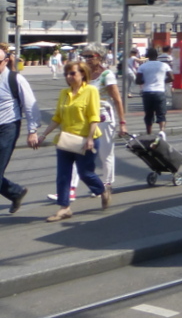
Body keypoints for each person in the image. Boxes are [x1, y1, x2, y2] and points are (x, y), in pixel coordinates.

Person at [33, 59, 108, 221]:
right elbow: (57, 117)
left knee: (85, 173)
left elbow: (94, 117)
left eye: (72, 73)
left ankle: (102, 191)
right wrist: (43, 134)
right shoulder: (64, 93)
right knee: (63, 175)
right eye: (67, 74)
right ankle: (64, 208)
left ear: (82, 74)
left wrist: (89, 138)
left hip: (86, 140)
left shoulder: (91, 91)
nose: (69, 76)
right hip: (66, 140)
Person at [82, 43, 126, 200]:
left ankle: (107, 183)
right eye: (84, 56)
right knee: (83, 152)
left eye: (89, 56)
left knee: (105, 152)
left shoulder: (107, 75)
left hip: (104, 118)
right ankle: (87, 185)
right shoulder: (84, 74)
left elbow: (117, 99)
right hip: (87, 119)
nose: (86, 59)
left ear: (99, 57)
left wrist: (122, 122)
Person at [0, 43, 39, 214]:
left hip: (8, 127)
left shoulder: (15, 79)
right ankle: (16, 192)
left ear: (6, 61)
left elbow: (30, 105)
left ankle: (15, 193)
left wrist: (32, 130)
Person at [137, 46, 172, 137]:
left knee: (148, 114)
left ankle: (149, 133)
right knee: (161, 113)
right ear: (157, 55)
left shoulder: (143, 66)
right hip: (160, 92)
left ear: (147, 56)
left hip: (147, 92)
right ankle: (162, 131)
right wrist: (163, 81)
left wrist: (145, 80)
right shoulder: (164, 65)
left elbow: (138, 81)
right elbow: (172, 78)